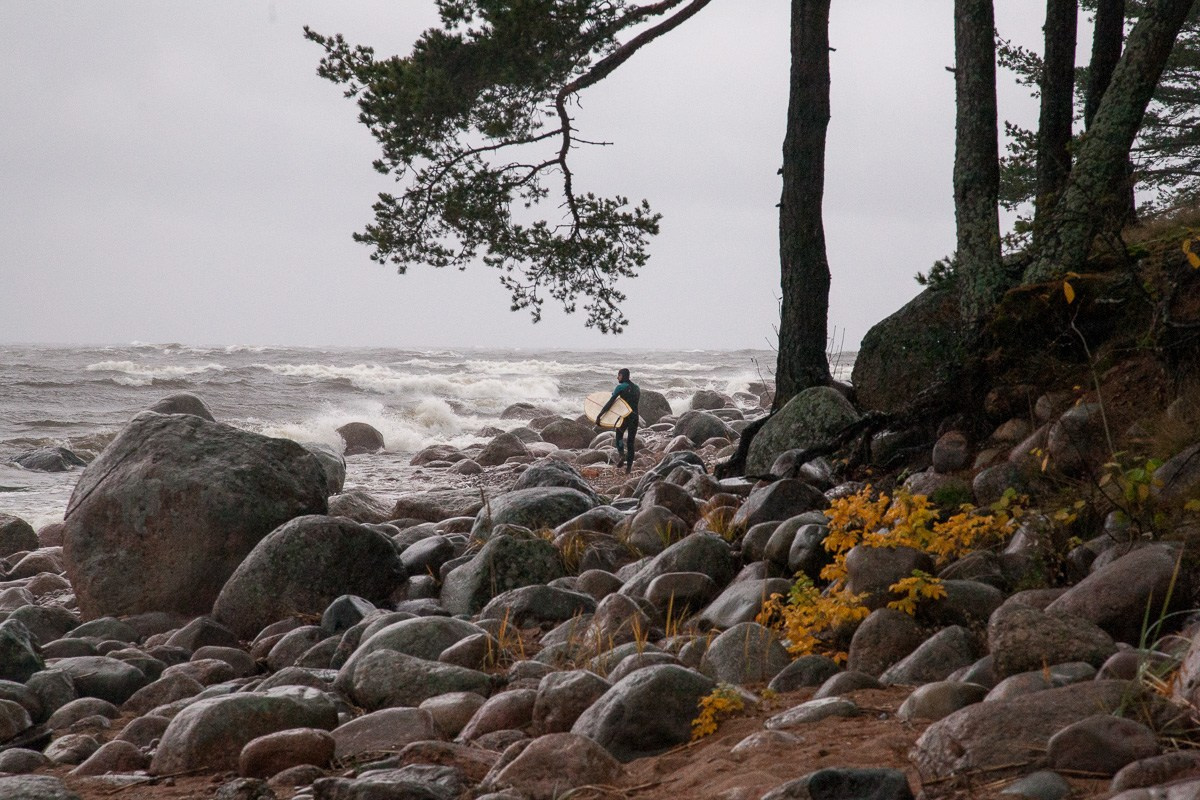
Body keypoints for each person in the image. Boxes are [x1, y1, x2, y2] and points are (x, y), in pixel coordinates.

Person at [598, 368, 640, 473]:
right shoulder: (637, 388)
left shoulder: (620, 387)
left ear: (623, 376)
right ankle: (628, 469)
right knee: (631, 443)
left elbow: (610, 403)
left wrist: (600, 415)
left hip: (625, 418)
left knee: (619, 437)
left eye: (619, 375)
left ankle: (621, 455)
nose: (618, 377)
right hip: (634, 417)